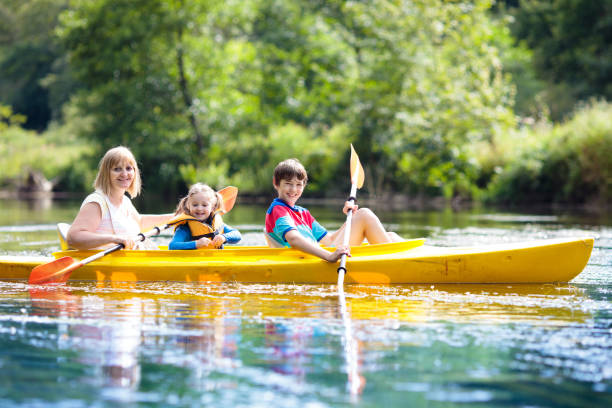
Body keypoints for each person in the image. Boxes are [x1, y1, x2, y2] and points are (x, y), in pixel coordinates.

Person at [264, 158, 403, 262]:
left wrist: (350, 218)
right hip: (307, 260)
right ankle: (396, 263)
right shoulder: (278, 210)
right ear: (276, 184)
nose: (293, 190)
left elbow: (329, 240)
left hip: (318, 256)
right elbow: (293, 239)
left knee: (391, 236)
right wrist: (329, 256)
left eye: (298, 185)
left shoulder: (303, 213)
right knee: (364, 215)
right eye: (288, 184)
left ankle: (411, 258)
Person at [66, 146, 174, 250]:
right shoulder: (97, 202)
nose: (124, 174)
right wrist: (115, 239)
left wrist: (176, 217)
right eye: (117, 169)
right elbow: (73, 238)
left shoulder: (125, 201)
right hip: (104, 264)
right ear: (106, 173)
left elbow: (140, 222)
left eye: (128, 168)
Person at [169, 183, 241, 250]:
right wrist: (196, 244)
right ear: (188, 206)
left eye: (204, 205)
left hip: (216, 261)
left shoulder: (216, 223)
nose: (199, 208)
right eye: (195, 205)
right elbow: (172, 246)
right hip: (194, 261)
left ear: (212, 207)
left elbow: (237, 235)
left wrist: (224, 237)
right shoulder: (185, 227)